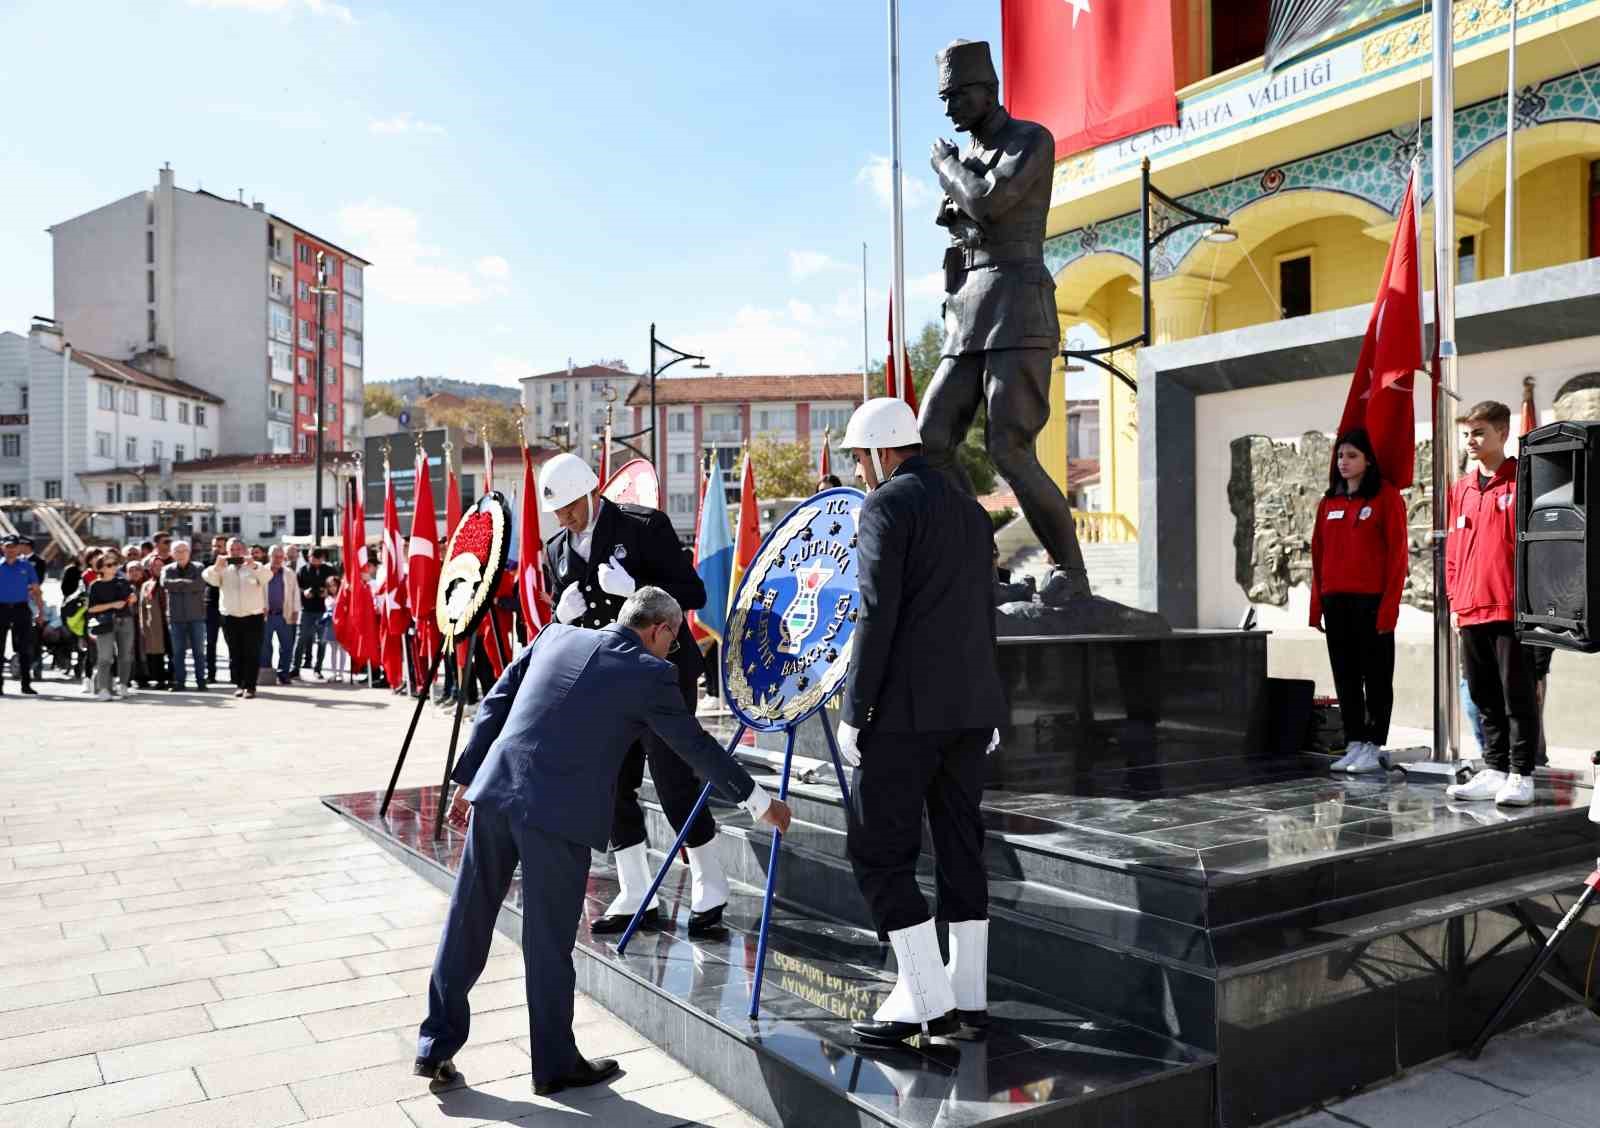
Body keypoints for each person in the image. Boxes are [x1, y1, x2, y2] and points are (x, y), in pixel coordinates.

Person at [415, 586, 792, 1094]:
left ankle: (434, 1045)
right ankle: (554, 1065)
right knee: (548, 942)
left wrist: (466, 779)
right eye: (674, 641)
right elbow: (696, 746)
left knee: (468, 919)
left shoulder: (554, 636)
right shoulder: (650, 673)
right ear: (660, 629)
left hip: (496, 792)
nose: (671, 651)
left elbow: (496, 701)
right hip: (556, 816)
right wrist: (760, 802)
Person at [834, 398, 1007, 1044]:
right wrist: (990, 702)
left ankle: (926, 999)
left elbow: (875, 612)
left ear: (883, 451)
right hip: (970, 710)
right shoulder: (969, 509)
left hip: (906, 714)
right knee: (961, 845)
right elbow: (984, 611)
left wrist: (855, 711)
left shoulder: (887, 505)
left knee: (876, 849)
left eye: (860, 458)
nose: (859, 471)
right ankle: (969, 996)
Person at [538, 451, 733, 937]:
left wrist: (638, 590)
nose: (564, 518)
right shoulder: (556, 549)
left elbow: (693, 593)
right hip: (603, 683)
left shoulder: (643, 525)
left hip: (658, 673)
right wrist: (559, 615)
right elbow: (563, 622)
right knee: (608, 783)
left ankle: (711, 880)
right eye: (557, 510)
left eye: (569, 506)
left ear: (591, 492)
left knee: (673, 779)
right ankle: (636, 890)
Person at [920, 39, 1089, 596]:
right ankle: (978, 558)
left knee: (1009, 447)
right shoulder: (971, 153)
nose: (950, 109)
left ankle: (1071, 571)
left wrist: (946, 166)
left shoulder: (1029, 139)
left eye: (957, 96)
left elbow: (990, 203)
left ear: (988, 89)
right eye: (944, 99)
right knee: (931, 436)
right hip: (968, 307)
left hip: (1017, 303)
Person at [1446, 401, 1541, 807]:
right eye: (1468, 433)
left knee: (1516, 693)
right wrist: (1455, 600)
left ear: (1502, 433)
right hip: (1470, 608)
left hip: (1509, 606)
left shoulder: (1524, 479)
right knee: (1483, 695)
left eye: (1479, 432)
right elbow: (1453, 551)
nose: (1471, 440)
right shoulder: (1461, 489)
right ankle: (1496, 767)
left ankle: (1521, 773)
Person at [1309, 428, 1408, 775]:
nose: (1344, 462)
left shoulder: (1385, 497)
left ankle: (1373, 743)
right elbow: (1317, 557)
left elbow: (1397, 556)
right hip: (1336, 603)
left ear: (1368, 460)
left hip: (1372, 602)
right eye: (1340, 455)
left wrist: (1389, 608)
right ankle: (1353, 741)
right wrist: (1316, 607)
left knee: (1376, 678)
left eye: (1352, 455)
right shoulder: (1329, 502)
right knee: (1346, 676)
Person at [205, 536, 267, 699]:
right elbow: (210, 579)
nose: (235, 552)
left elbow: (267, 577)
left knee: (252, 652)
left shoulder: (255, 566)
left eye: (238, 549)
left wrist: (253, 565)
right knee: (235, 652)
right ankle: (239, 684)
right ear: (227, 551)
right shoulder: (223, 568)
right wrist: (217, 567)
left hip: (253, 615)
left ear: (245, 550)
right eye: (232, 549)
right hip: (230, 616)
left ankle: (251, 686)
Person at [86, 549, 136, 701]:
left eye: (115, 564)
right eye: (109, 565)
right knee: (105, 657)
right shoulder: (95, 585)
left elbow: (131, 597)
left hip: (125, 621)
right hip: (105, 623)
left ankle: (123, 685)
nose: (113, 567)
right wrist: (112, 605)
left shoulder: (123, 582)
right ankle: (103, 689)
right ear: (100, 568)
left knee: (125, 656)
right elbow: (91, 609)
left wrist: (132, 598)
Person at [161, 540, 209, 691]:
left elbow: (200, 584)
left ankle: (201, 681)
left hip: (196, 616)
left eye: (184, 551)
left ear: (189, 552)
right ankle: (180, 682)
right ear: (172, 554)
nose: (181, 554)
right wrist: (188, 584)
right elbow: (165, 584)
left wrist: (178, 585)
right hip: (176, 617)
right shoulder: (167, 569)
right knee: (177, 652)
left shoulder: (199, 567)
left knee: (199, 652)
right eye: (177, 551)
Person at [0, 534, 44, 695]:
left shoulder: (27, 567)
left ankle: (26, 684)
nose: (10, 550)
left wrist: (40, 612)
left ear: (18, 548)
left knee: (24, 648)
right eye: (7, 547)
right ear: (2, 548)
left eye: (13, 547)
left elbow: (36, 590)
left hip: (21, 608)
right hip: (1, 609)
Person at [259, 545, 302, 684]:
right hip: (266, 615)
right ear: (269, 556)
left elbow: (295, 592)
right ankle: (266, 674)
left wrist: (296, 610)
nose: (278, 560)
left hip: (284, 614)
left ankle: (284, 674)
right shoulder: (261, 571)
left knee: (287, 646)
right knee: (265, 646)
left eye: (280, 557)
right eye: (275, 557)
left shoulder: (289, 573)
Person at [296, 547, 336, 678]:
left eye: (318, 557)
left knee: (322, 641)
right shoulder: (303, 570)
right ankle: (295, 668)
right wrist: (304, 592)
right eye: (312, 556)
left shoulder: (329, 570)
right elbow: (296, 588)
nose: (314, 560)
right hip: (307, 609)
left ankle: (318, 669)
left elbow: (337, 586)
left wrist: (327, 592)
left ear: (322, 558)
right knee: (301, 640)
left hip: (324, 610)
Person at [137, 561, 170, 690]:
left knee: (173, 652)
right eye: (155, 566)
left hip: (171, 621)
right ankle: (159, 679)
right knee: (157, 653)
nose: (159, 568)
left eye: (161, 565)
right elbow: (142, 606)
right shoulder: (146, 585)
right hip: (155, 623)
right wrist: (143, 624)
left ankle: (174, 677)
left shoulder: (169, 581)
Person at [205, 534, 227, 685]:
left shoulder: (231, 564)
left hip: (227, 607)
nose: (216, 549)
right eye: (214, 546)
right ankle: (211, 674)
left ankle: (235, 674)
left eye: (219, 546)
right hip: (211, 607)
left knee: (231, 642)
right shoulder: (206, 563)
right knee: (210, 643)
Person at [322, 575, 349, 680]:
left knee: (342, 650)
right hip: (331, 626)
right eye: (330, 586)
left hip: (342, 625)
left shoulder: (343, 596)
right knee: (333, 650)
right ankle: (334, 673)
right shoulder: (328, 598)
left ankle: (341, 673)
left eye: (334, 585)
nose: (332, 588)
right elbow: (330, 607)